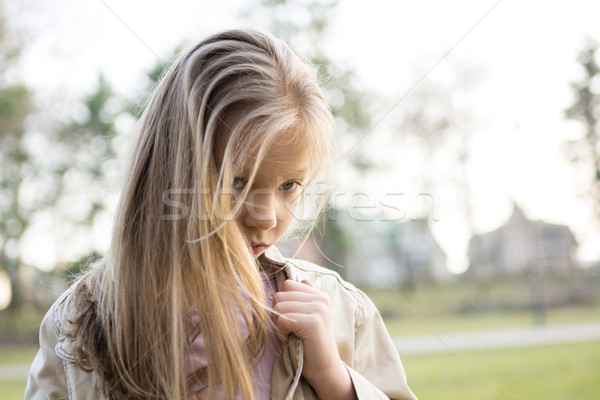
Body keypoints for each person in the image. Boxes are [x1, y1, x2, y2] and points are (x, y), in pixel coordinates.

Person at [25, 29, 417, 400]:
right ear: (169, 170)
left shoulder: (340, 312)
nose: (265, 217)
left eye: (289, 186)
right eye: (238, 181)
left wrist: (333, 378)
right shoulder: (82, 320)